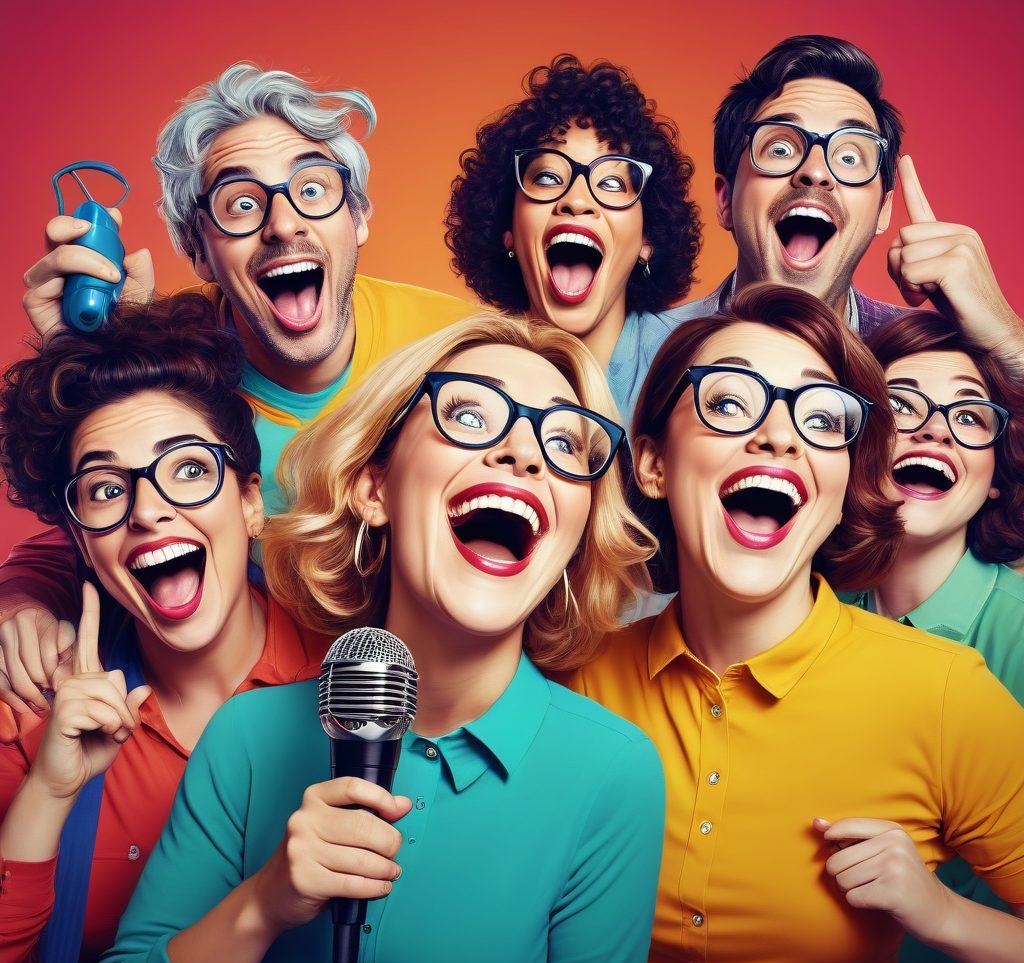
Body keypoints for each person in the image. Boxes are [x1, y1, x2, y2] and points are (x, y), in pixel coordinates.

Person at [89, 312, 665, 963]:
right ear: (374, 487)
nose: (524, 453)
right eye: (469, 416)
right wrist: (264, 903)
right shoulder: (248, 736)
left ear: (577, 527)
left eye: (564, 443)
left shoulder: (612, 774)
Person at [568, 284, 1024, 963]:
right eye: (729, 402)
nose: (780, 436)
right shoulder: (577, 682)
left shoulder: (943, 693)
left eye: (820, 419)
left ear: (845, 483)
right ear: (652, 464)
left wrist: (943, 914)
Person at [3, 61, 474, 700]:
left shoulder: (459, 350)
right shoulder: (180, 379)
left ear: (359, 215)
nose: (282, 224)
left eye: (313, 189)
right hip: (267, 704)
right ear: (198, 251)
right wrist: (23, 594)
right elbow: (113, 515)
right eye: (242, 204)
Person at [0, 296, 327, 963]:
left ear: (250, 504)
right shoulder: (35, 707)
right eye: (107, 489)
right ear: (81, 542)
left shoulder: (349, 686)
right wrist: (49, 791)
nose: (147, 510)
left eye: (187, 470)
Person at [846, 310, 1024, 963]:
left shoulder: (1016, 634)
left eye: (969, 415)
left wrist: (939, 910)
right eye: (903, 407)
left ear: (994, 477)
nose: (936, 430)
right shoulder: (810, 605)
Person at [666, 35, 1023, 374]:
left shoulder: (938, 366)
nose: (815, 171)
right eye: (781, 149)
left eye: (849, 157)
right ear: (726, 200)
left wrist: (1009, 342)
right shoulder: (650, 350)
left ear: (883, 211)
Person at [445, 53, 701, 425]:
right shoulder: (462, 376)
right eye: (548, 178)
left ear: (648, 240)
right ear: (507, 231)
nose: (577, 201)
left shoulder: (694, 369)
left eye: (611, 183)